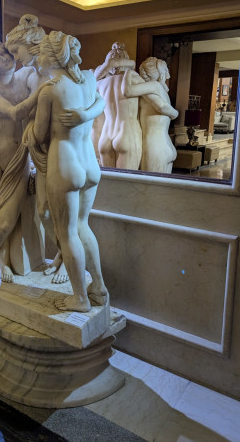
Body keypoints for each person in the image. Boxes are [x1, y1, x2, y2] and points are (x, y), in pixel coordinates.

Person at [26, 30, 108, 312]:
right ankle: (98, 287)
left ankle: (80, 299)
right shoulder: (88, 78)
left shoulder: (50, 90)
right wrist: (85, 114)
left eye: (40, 53)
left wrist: (28, 128)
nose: (38, 58)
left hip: (65, 164)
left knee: (68, 233)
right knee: (83, 226)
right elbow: (101, 102)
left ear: (52, 56)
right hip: (90, 164)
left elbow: (38, 135)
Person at [0, 41, 50, 285]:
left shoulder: (26, 74)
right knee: (1, 218)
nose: (4, 58)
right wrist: (42, 92)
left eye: (4, 53)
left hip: (20, 157)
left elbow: (39, 78)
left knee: (8, 220)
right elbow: (15, 113)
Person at [6, 14, 68, 283]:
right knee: (43, 210)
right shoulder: (29, 74)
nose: (15, 58)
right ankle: (64, 255)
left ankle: (67, 260)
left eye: (16, 50)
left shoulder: (55, 75)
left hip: (58, 149)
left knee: (63, 211)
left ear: (31, 45)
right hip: (38, 150)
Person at [122, 56, 179, 173]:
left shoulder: (155, 86)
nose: (168, 75)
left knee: (151, 184)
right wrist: (174, 113)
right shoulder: (158, 90)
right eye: (166, 71)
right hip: (166, 144)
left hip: (155, 146)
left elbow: (127, 91)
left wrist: (127, 73)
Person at [94, 42, 142, 170]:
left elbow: (91, 82)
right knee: (126, 181)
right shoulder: (134, 79)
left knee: (108, 180)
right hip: (126, 133)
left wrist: (107, 66)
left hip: (105, 137)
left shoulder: (100, 84)